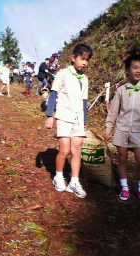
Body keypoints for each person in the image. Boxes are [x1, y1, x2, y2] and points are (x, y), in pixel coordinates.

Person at [45, 44, 93, 198]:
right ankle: (58, 176)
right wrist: (50, 115)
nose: (84, 62)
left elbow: (85, 101)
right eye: (82, 59)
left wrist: (85, 119)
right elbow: (53, 94)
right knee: (65, 150)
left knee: (77, 150)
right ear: (74, 58)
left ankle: (74, 181)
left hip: (78, 118)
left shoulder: (84, 79)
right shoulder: (63, 74)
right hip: (64, 117)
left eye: (87, 60)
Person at [105, 50, 140, 202]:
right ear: (128, 70)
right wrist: (108, 128)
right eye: (135, 67)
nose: (138, 71)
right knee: (122, 159)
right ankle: (125, 187)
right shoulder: (121, 90)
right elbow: (114, 111)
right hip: (122, 130)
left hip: (138, 131)